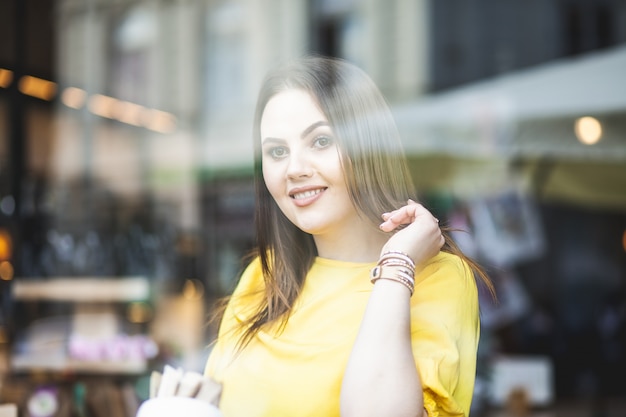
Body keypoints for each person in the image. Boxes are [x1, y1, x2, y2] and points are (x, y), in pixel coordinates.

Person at [204, 55, 493, 417]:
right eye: (277, 151)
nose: (294, 169)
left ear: (367, 147)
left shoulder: (436, 277)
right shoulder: (265, 277)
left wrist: (397, 265)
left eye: (321, 141)